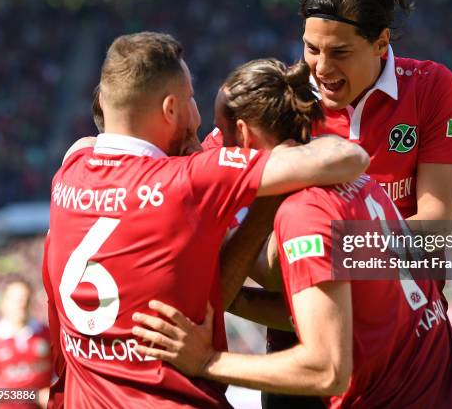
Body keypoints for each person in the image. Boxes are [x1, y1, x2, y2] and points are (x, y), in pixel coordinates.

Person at [131, 58, 452, 408]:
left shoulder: (303, 214)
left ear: (243, 134)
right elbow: (328, 312)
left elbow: (326, 369)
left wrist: (206, 361)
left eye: (220, 135)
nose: (212, 150)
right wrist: (233, 298)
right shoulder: (356, 182)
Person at [42, 31, 369, 408]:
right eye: (189, 98)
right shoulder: (191, 180)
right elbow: (346, 158)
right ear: (170, 109)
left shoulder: (69, 172)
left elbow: (89, 145)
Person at [202, 0, 452, 407]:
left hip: (404, 352)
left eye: (340, 52)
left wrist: (328, 252)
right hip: (299, 347)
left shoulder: (430, 87)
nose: (320, 69)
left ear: (381, 42)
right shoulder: (284, 97)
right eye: (311, 48)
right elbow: (195, 174)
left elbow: (437, 228)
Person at [0, 279, 52, 409]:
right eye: (16, 299)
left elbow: (65, 373)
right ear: (4, 303)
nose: (21, 303)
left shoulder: (47, 335)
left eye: (26, 298)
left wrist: (54, 393)